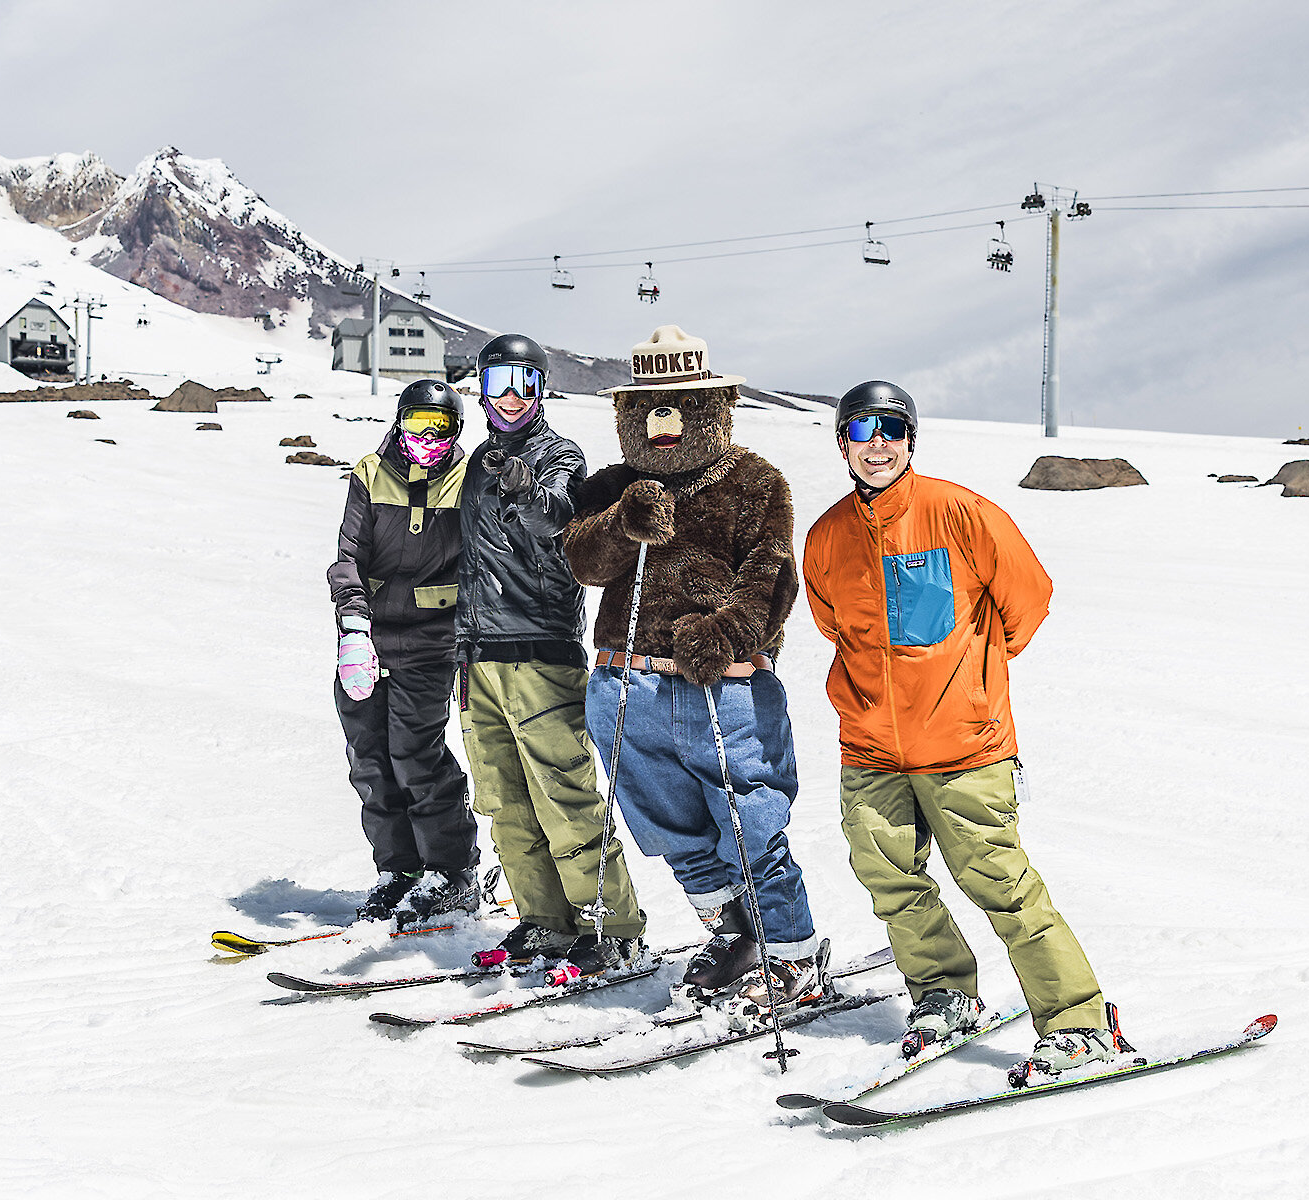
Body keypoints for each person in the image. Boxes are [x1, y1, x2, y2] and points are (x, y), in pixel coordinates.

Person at [801, 380, 1131, 1075]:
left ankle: (1079, 1023)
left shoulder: (962, 513)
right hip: (870, 747)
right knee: (889, 880)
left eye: (892, 428)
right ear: (842, 444)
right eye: (862, 431)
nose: (878, 444)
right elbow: (833, 625)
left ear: (912, 439)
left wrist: (971, 680)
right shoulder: (827, 536)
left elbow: (1028, 602)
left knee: (1001, 883)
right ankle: (944, 994)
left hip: (964, 746)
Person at [565, 325, 824, 1012]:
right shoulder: (614, 486)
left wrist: (730, 633)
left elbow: (772, 576)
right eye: (649, 410)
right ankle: (734, 935)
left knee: (750, 827)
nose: (664, 423)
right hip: (626, 684)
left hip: (725, 689)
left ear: (714, 408)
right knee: (668, 831)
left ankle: (795, 954)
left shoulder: (756, 481)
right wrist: (622, 523)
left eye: (679, 406)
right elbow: (584, 564)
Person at [456, 334, 647, 976]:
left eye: (525, 383)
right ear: (480, 391)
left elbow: (560, 514)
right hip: (479, 655)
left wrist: (524, 488)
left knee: (564, 794)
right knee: (505, 799)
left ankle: (614, 926)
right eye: (497, 383)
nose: (510, 397)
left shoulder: (558, 453)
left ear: (542, 390)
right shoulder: (477, 460)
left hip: (540, 651)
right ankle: (544, 920)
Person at [326, 379, 479, 927]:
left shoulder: (469, 480)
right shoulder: (370, 472)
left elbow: (479, 565)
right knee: (369, 758)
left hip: (430, 643)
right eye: (416, 424)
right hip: (365, 638)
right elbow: (348, 558)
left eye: (439, 428)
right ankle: (399, 870)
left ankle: (452, 871)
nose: (426, 439)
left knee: (415, 755)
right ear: (399, 421)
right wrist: (352, 627)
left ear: (456, 430)